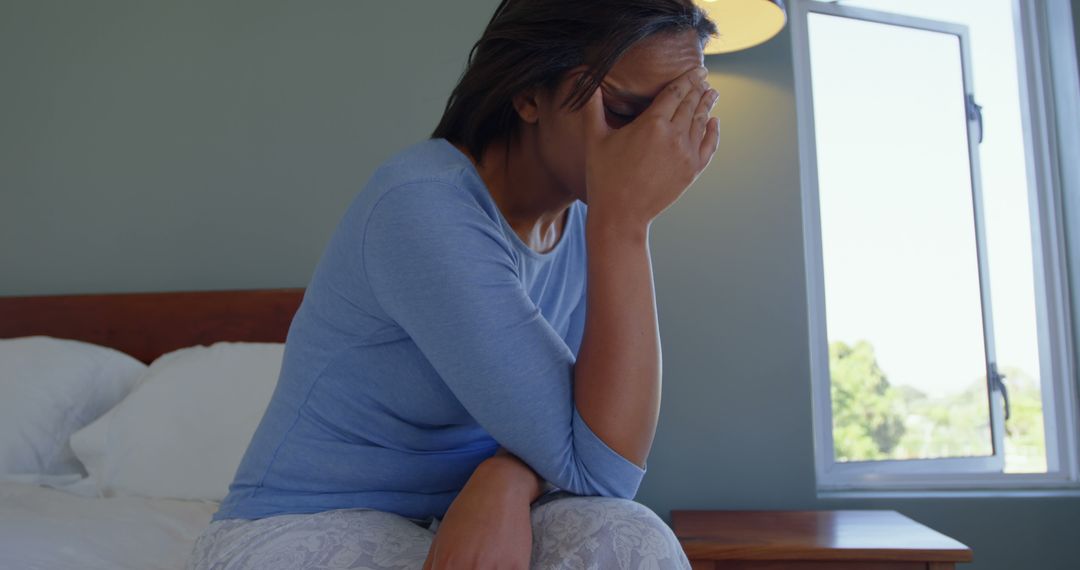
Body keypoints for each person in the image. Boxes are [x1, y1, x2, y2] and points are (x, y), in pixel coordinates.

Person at [186, 0, 719, 568]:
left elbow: (605, 467)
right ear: (528, 95)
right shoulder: (421, 205)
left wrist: (506, 476)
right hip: (307, 519)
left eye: (674, 116)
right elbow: (599, 465)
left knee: (630, 537)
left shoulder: (596, 220)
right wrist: (625, 225)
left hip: (477, 505)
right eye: (623, 110)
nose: (650, 146)